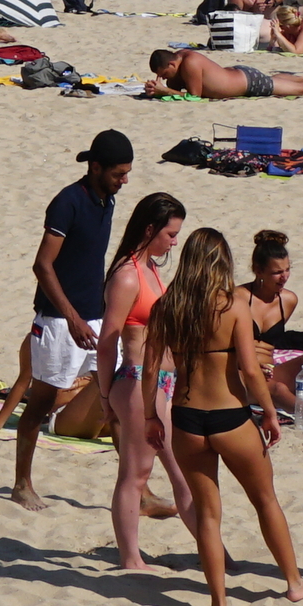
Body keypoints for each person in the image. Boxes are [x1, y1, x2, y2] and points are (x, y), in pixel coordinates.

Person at [142, 224, 303, 606]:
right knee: (265, 499)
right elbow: (250, 372)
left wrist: (152, 416)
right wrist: (269, 413)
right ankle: (294, 583)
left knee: (207, 513)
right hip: (229, 416)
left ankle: (218, 603)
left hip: (185, 418)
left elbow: (151, 369)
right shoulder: (232, 306)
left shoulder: (167, 307)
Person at [7, 130, 130, 514]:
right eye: (117, 174)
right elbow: (42, 266)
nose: (123, 181)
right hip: (59, 321)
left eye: (127, 174)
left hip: (96, 315)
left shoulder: (107, 199)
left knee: (121, 398)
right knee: (41, 403)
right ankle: (21, 484)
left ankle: (134, 489)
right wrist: (74, 319)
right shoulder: (67, 203)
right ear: (95, 167)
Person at [99, 189, 188, 570]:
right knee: (136, 474)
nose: (174, 240)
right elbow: (108, 340)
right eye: (170, 234)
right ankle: (130, 557)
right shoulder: (127, 275)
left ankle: (217, 553)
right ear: (150, 229)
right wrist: (105, 396)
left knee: (179, 472)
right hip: (136, 381)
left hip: (158, 382)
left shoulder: (149, 267)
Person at [143, 46, 303, 102]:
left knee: (301, 90)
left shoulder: (189, 63)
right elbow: (178, 88)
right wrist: (160, 89)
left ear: (172, 62)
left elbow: (195, 97)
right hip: (240, 75)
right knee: (276, 81)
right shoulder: (180, 59)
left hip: (249, 83)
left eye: (164, 73)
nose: (163, 78)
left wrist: (163, 91)